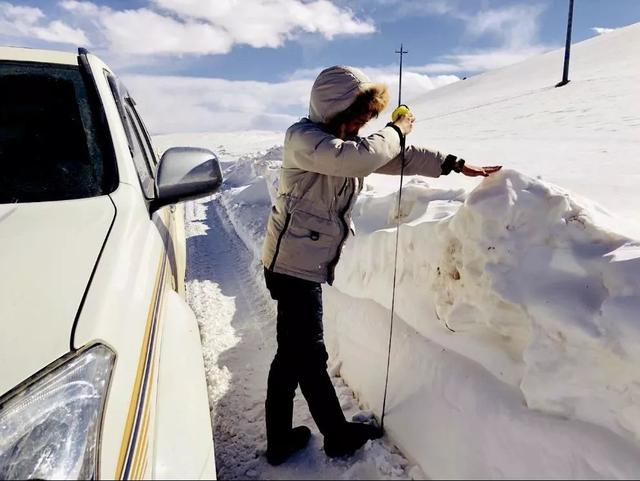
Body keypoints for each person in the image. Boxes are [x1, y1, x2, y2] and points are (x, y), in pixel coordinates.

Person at [261, 65, 501, 465]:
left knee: (291, 354)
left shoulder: (346, 144)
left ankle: (280, 440)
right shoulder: (305, 139)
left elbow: (397, 159)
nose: (362, 124)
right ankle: (336, 436)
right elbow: (363, 158)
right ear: (332, 109)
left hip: (298, 263)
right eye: (357, 115)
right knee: (309, 354)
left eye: (367, 117)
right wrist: (398, 128)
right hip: (291, 267)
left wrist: (457, 164)